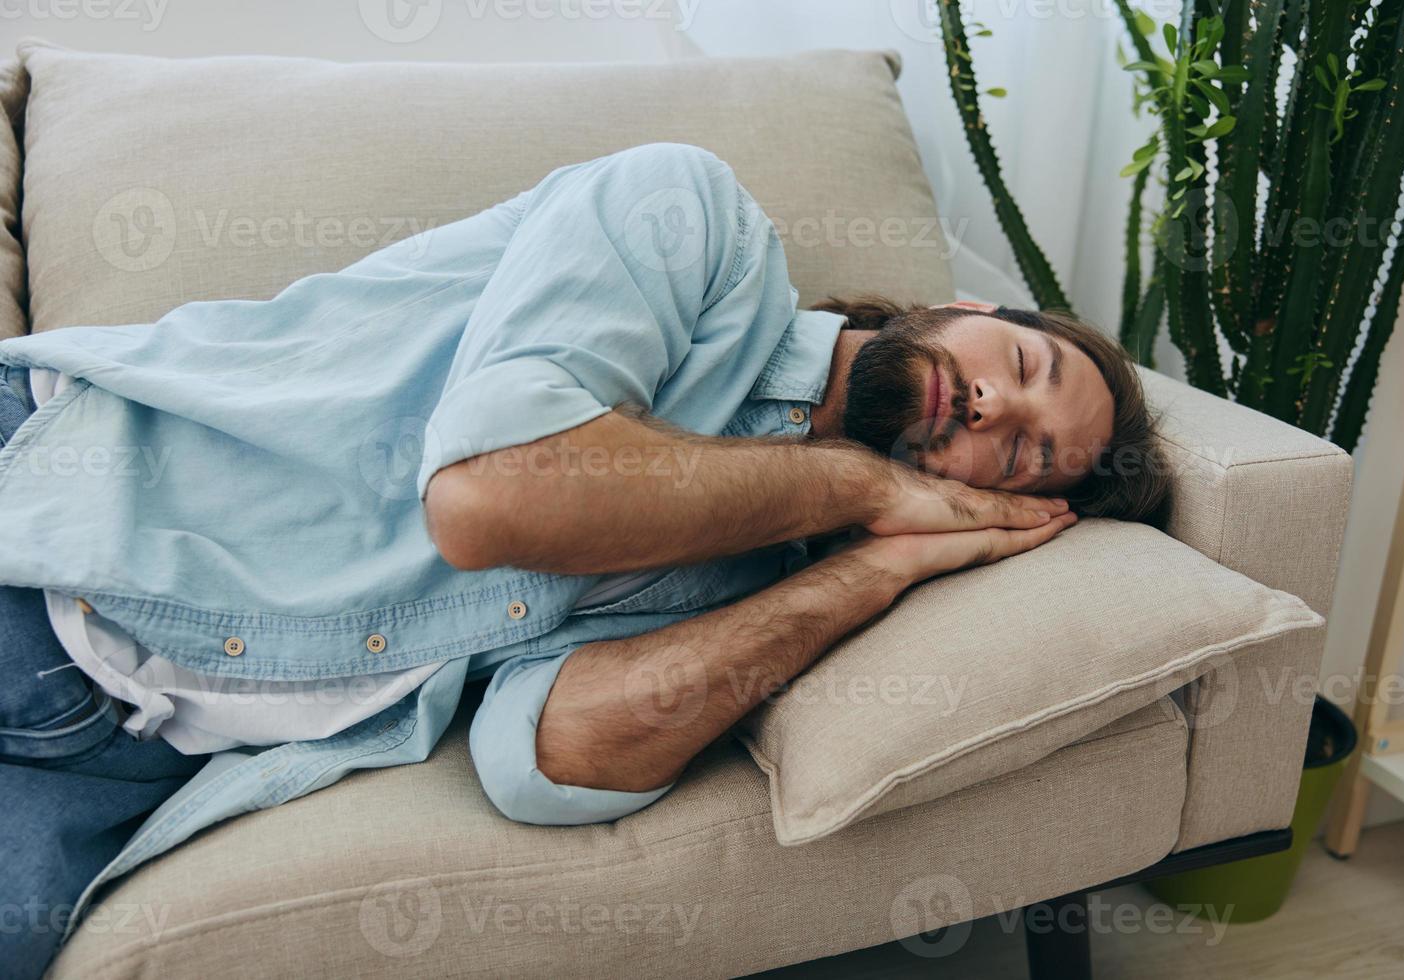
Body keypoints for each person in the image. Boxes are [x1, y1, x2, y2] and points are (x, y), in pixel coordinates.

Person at [0, 142, 1167, 976]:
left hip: (110, 757)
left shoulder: (752, 581)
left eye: (1023, 455)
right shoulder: (691, 223)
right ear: (964, 308)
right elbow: (489, 497)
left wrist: (866, 572)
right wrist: (861, 482)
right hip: (61, 512)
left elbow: (552, 759)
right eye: (1020, 361)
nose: (990, 404)